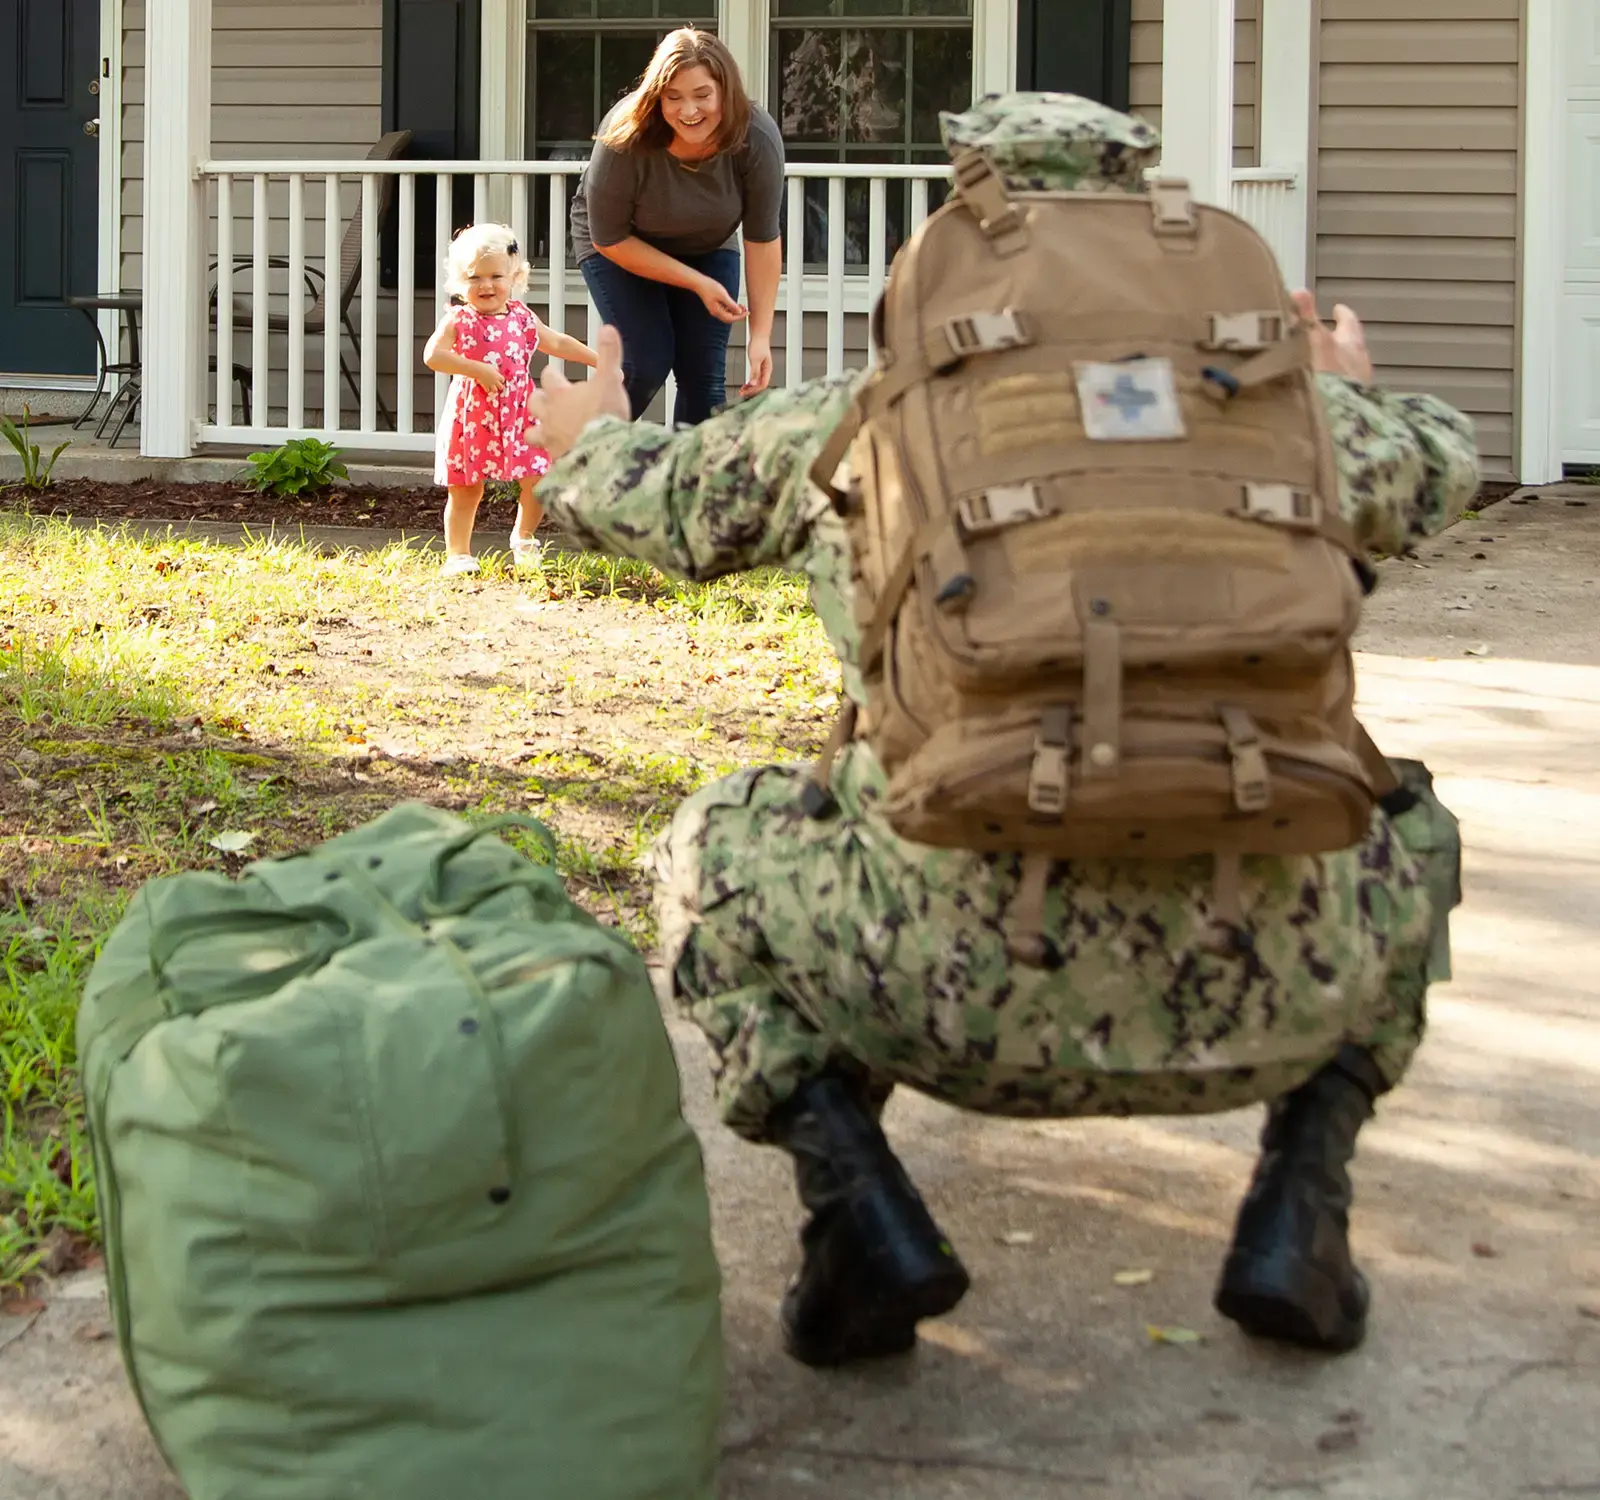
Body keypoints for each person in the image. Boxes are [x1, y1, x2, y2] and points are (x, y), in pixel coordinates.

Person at [529, 95, 1477, 1369]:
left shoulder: (855, 425)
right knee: (1406, 820)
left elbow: (622, 495)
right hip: (1263, 991)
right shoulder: (1300, 418)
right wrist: (1341, 393)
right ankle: (1299, 1207)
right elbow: (1442, 453)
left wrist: (583, 435)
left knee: (713, 844)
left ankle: (853, 1206)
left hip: (933, 994)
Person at [571, 28, 782, 426]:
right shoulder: (625, 134)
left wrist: (760, 337)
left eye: (702, 95)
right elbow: (610, 237)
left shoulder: (756, 137)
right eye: (674, 98)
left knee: (703, 376)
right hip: (620, 244)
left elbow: (762, 237)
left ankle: (689, 485)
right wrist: (697, 283)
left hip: (708, 243)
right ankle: (580, 466)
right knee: (646, 360)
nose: (689, 111)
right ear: (657, 97)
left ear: (726, 90)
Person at [424, 222, 598, 577]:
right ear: (460, 282)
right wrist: (477, 369)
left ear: (515, 276)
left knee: (538, 477)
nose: (486, 285)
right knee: (467, 488)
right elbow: (433, 355)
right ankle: (458, 554)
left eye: (496, 276)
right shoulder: (460, 319)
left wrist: (598, 360)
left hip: (521, 413)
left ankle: (524, 538)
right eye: (474, 278)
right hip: (473, 415)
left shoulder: (521, 316)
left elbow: (557, 343)